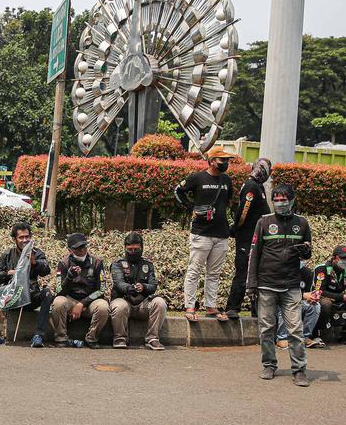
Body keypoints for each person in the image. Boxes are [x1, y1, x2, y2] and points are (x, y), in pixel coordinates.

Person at [245, 183, 312, 386]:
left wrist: (305, 251)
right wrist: (251, 284)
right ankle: (269, 365)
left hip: (291, 284)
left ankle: (299, 370)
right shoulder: (264, 222)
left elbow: (308, 253)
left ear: (292, 200)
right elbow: (254, 254)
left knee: (295, 330)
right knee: (266, 328)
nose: (280, 203)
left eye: (284, 199)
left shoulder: (302, 223)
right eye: (276, 199)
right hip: (266, 284)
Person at [175, 145, 235, 321]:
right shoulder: (197, 177)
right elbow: (178, 191)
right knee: (194, 271)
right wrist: (190, 208)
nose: (225, 163)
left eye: (227, 160)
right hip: (201, 233)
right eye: (222, 160)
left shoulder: (227, 180)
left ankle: (211, 306)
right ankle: (190, 306)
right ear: (211, 161)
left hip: (222, 234)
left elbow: (229, 201)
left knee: (214, 273)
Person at [0, 222, 53, 348]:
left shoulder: (37, 253)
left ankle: (38, 335)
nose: (25, 240)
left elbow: (46, 270)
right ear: (14, 239)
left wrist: (34, 263)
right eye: (21, 237)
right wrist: (9, 273)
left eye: (27, 237)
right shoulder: (7, 254)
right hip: (12, 297)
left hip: (30, 297)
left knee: (48, 293)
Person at [226, 158, 271, 319]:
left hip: (257, 239)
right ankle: (232, 308)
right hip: (246, 238)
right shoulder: (252, 186)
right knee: (243, 273)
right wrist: (236, 229)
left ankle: (255, 310)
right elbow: (244, 212)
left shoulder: (258, 186)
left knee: (257, 275)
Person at [108, 232, 167, 350]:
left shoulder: (148, 265)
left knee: (160, 303)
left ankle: (152, 339)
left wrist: (143, 287)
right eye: (130, 249)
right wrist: (129, 288)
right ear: (125, 248)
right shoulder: (117, 264)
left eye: (136, 249)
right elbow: (119, 283)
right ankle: (120, 338)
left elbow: (153, 285)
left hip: (142, 304)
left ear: (141, 248)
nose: (133, 252)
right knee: (119, 305)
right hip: (125, 302)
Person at [51, 233, 110, 348]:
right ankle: (61, 337)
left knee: (103, 306)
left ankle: (92, 338)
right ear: (70, 250)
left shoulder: (97, 262)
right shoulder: (63, 263)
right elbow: (59, 291)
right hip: (70, 300)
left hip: (90, 301)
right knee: (58, 302)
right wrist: (69, 277)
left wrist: (82, 304)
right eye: (78, 248)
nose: (82, 250)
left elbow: (101, 290)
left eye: (84, 246)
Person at [310, 245, 346, 345]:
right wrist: (344, 297)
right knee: (325, 304)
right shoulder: (322, 269)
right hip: (322, 299)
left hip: (340, 299)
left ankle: (345, 335)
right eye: (343, 258)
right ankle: (316, 335)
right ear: (335, 258)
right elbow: (319, 291)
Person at [276, 262, 321, 350]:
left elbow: (307, 293)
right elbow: (279, 293)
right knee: (285, 303)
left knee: (315, 306)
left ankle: (304, 337)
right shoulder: (281, 269)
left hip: (298, 302)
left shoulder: (307, 272)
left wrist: (311, 297)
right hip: (278, 302)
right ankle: (282, 338)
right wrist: (302, 295)